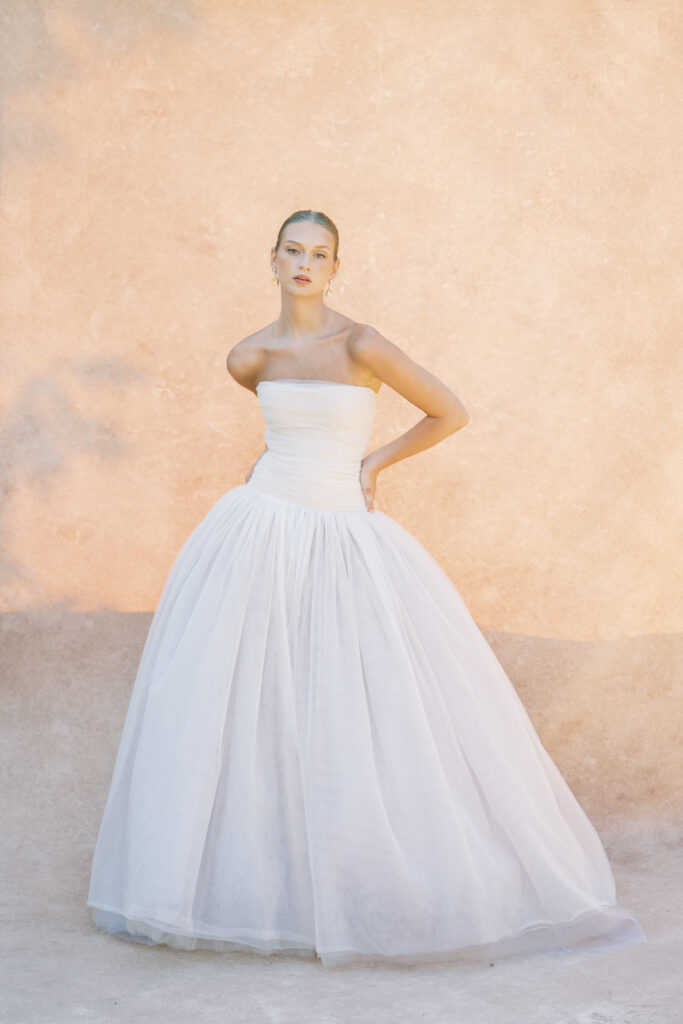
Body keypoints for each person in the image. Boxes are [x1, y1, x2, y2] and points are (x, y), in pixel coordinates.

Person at [86, 209, 647, 968]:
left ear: (336, 267)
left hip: (344, 529)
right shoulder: (247, 357)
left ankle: (359, 885)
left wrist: (374, 463)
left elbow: (449, 411)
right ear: (273, 260)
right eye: (293, 251)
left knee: (362, 702)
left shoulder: (360, 342)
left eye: (320, 254)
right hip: (259, 528)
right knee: (245, 702)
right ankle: (262, 887)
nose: (305, 264)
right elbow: (277, 438)